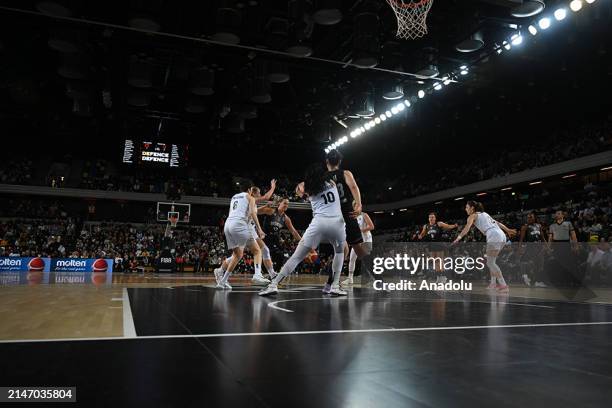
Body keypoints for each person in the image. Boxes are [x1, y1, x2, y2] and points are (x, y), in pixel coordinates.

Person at [259, 163, 347, 296]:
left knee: (296, 257)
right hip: (337, 223)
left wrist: (304, 194)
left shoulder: (306, 185)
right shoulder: (332, 183)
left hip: (319, 223)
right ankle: (334, 285)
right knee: (339, 252)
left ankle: (273, 284)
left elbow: (298, 191)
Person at [323, 149, 374, 292]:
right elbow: (353, 187)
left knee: (340, 251)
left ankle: (330, 284)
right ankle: (379, 279)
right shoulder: (345, 173)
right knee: (359, 250)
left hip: (332, 216)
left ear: (327, 161)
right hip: (347, 214)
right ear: (339, 161)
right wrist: (358, 204)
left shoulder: (323, 177)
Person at [214, 181, 276, 284]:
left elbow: (255, 211)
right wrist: (273, 187)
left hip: (229, 225)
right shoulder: (250, 197)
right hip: (243, 226)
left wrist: (265, 209)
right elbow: (265, 197)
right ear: (250, 190)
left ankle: (221, 273)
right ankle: (259, 274)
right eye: (258, 193)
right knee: (259, 250)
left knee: (238, 255)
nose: (260, 195)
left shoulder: (235, 197)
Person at [453, 201, 516, 293]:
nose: (465, 209)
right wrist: (508, 230)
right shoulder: (484, 214)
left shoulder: (472, 216)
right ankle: (493, 284)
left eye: (467, 207)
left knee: (490, 263)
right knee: (491, 262)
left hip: (493, 234)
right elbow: (497, 222)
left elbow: (467, 228)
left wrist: (458, 238)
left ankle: (503, 285)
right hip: (501, 235)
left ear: (472, 208)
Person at [257, 197, 304, 278]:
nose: (286, 205)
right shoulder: (271, 211)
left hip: (275, 239)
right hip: (265, 237)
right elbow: (255, 211)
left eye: (287, 204)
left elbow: (293, 231)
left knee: (283, 256)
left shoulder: (286, 218)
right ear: (279, 204)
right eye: (285, 203)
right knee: (268, 255)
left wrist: (303, 241)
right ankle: (265, 274)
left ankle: (273, 275)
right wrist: (264, 206)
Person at [418, 212, 458, 283]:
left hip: (439, 244)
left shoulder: (439, 223)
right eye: (430, 217)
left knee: (440, 260)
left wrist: (454, 225)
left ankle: (443, 277)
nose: (431, 218)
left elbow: (448, 226)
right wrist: (420, 235)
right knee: (435, 261)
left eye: (432, 217)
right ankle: (439, 277)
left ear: (435, 218)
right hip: (431, 245)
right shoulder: (426, 226)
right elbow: (423, 233)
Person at [342, 204, 375, 286]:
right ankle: (350, 278)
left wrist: (360, 230)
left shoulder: (364, 215)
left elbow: (371, 226)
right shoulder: (352, 217)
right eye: (356, 206)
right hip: (358, 240)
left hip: (367, 240)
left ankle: (372, 278)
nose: (358, 207)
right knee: (352, 259)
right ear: (353, 207)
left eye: (359, 206)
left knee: (366, 260)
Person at [519, 211, 547, 287]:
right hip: (530, 247)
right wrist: (520, 248)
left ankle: (536, 281)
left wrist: (547, 246)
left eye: (530, 217)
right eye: (527, 217)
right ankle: (532, 280)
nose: (529, 219)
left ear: (534, 218)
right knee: (532, 265)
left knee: (540, 266)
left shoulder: (539, 226)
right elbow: (521, 239)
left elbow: (543, 237)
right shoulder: (525, 227)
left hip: (539, 247)